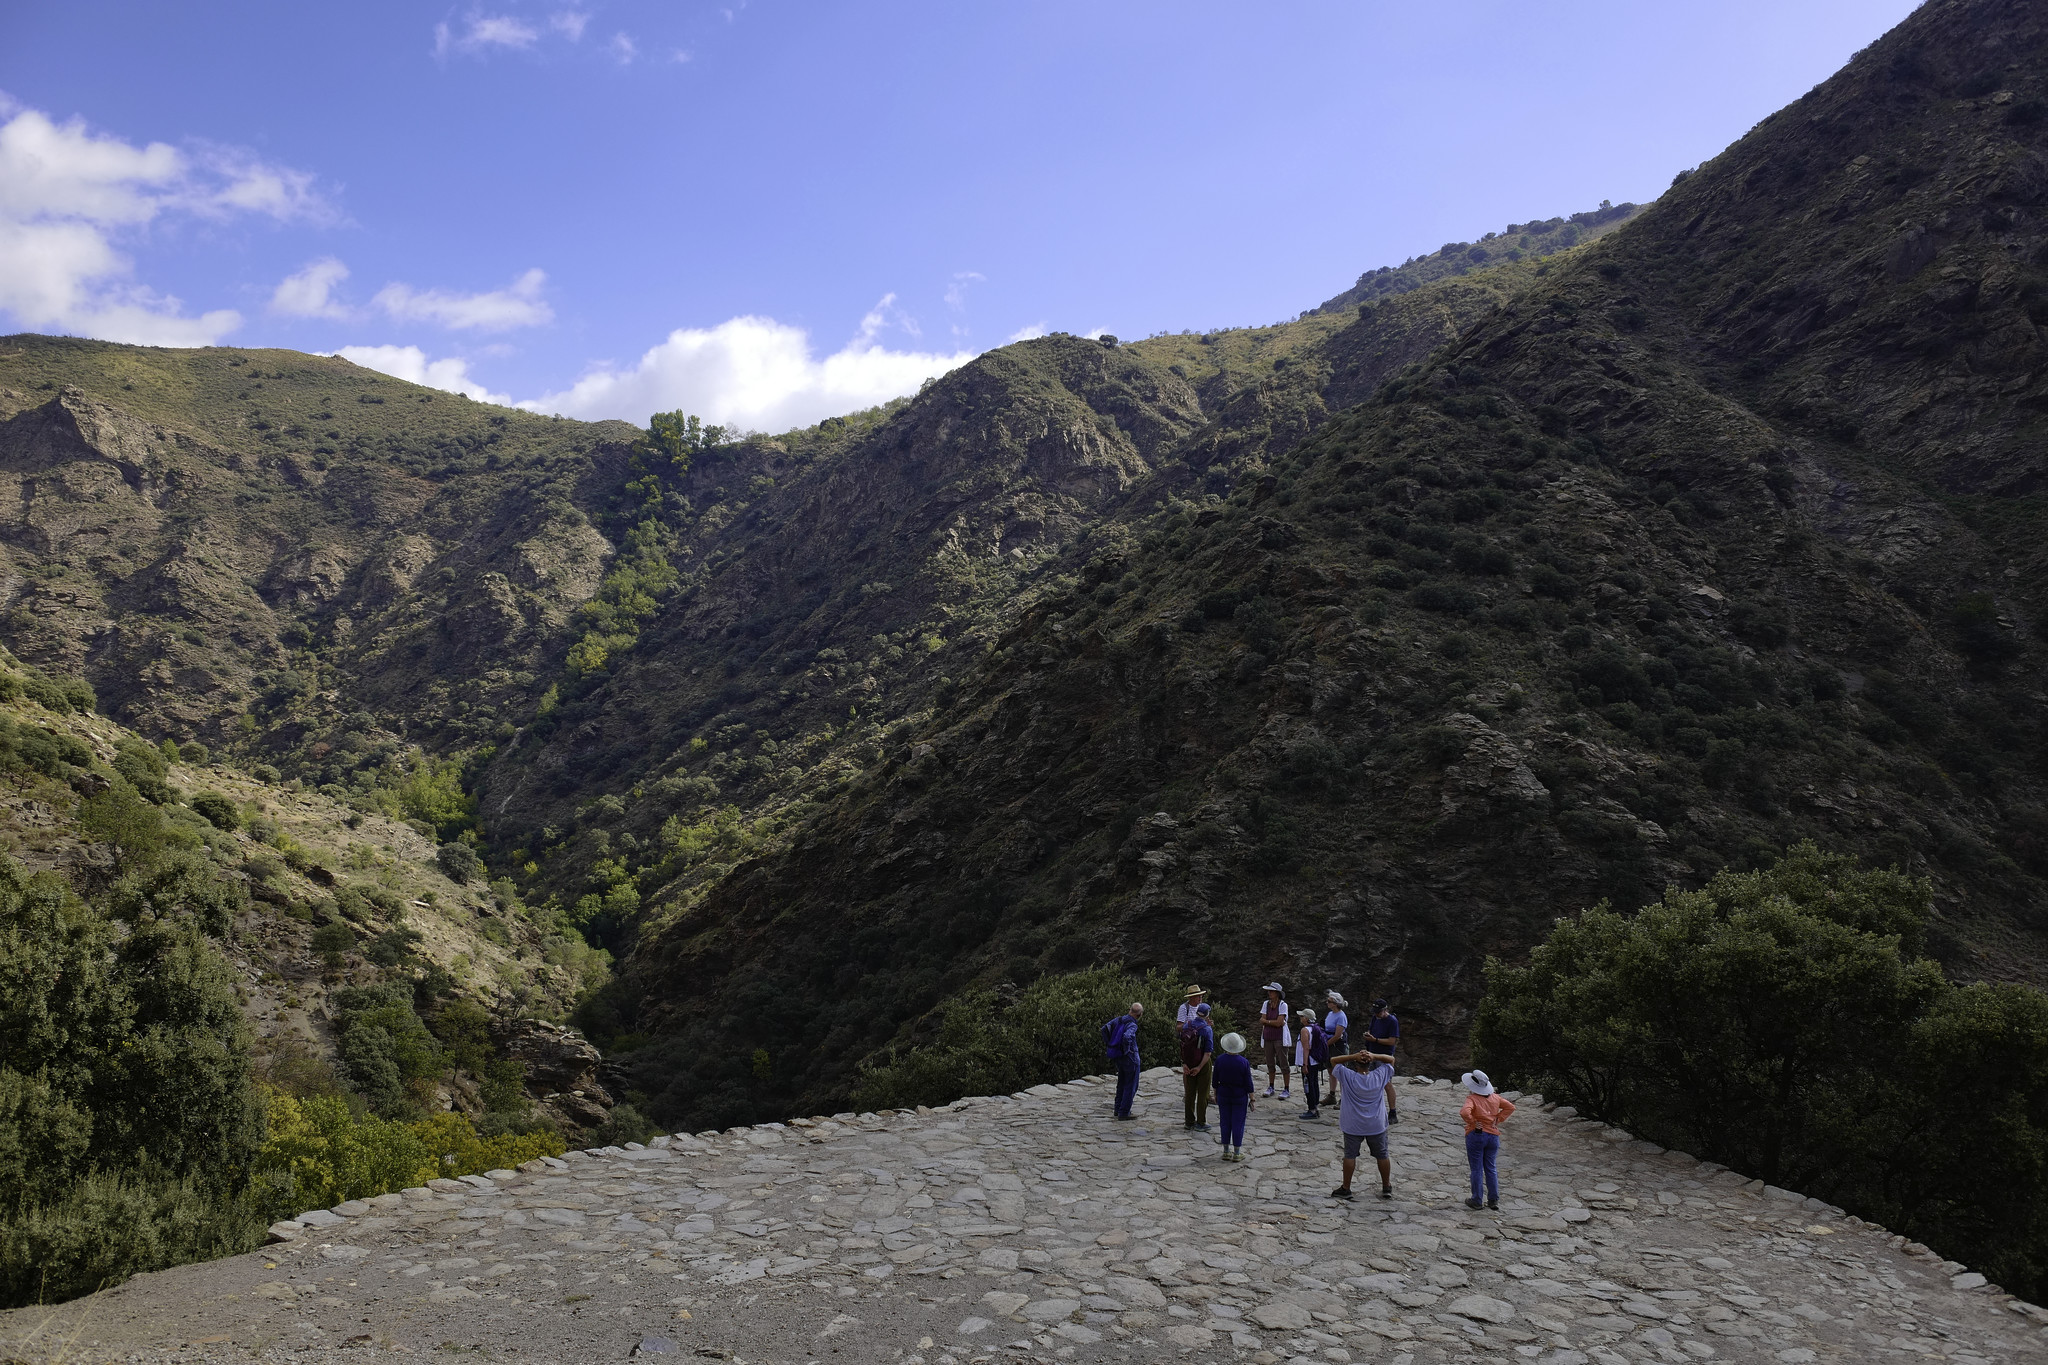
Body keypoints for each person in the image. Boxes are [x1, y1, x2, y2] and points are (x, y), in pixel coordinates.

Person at [1326, 1044, 1397, 1200]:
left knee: (1350, 1155)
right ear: (1370, 1064)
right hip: (1376, 1124)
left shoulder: (1348, 1076)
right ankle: (1386, 1186)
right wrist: (1374, 1055)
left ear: (1355, 1064)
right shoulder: (1379, 1075)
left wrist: (1353, 1056)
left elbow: (1333, 1060)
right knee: (1382, 1155)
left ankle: (1346, 1187)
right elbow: (1391, 1059)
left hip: (1353, 1124)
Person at [1460, 1069, 1515, 1210]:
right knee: (1491, 1168)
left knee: (1476, 1168)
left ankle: (1477, 1199)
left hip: (1477, 1134)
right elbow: (1510, 1107)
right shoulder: (1496, 1098)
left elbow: (1465, 1112)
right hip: (1493, 1135)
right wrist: (1498, 1118)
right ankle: (1493, 1199)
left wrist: (1472, 1121)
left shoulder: (1471, 1099)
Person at [1212, 1032, 1255, 1160]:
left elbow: (1215, 1080)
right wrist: (1252, 1099)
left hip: (1223, 1093)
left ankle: (1225, 1151)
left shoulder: (1220, 1060)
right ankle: (1237, 1152)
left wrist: (1215, 1095)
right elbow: (1248, 1083)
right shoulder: (1243, 1062)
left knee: (1225, 1122)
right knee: (1238, 1123)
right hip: (1239, 1095)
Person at [1180, 1002, 1215, 1131]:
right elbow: (1208, 1052)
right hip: (1202, 1063)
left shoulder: (1186, 1025)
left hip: (1188, 1062)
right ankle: (1201, 1122)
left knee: (1189, 1093)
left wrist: (1184, 1063)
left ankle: (1188, 1121)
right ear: (1207, 1015)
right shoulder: (1206, 1029)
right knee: (1203, 1093)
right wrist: (1199, 1067)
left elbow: (1182, 1046)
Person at [1107, 1001, 1144, 1120]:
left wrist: (1111, 1045)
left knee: (1121, 1083)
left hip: (1119, 1057)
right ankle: (1124, 1112)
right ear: (1140, 1015)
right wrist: (1127, 1050)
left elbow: (1105, 1029)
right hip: (1130, 1058)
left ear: (1130, 1010)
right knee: (1131, 1085)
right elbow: (1127, 1037)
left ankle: (1117, 1109)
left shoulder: (1119, 1020)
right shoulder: (1133, 1025)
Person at [1367, 1000, 1400, 1124]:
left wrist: (1375, 1040)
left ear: (1385, 1010)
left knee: (1387, 1083)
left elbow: (1392, 1041)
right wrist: (1369, 1036)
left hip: (1385, 1055)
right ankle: (1373, 1109)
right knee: (1370, 1082)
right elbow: (1371, 1030)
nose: (1376, 1015)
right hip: (1372, 1053)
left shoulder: (1392, 1021)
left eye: (1378, 1012)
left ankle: (1392, 1111)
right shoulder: (1375, 1018)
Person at [1257, 983, 1291, 1100]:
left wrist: (1268, 1021)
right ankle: (1271, 1086)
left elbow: (1280, 1022)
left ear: (1277, 993)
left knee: (1283, 1063)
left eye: (1271, 991)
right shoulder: (1266, 1004)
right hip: (1268, 1037)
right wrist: (1272, 1022)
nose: (1269, 993)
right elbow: (1262, 1019)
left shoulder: (1283, 1005)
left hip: (1279, 1037)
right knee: (1270, 1063)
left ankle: (1286, 1088)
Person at [1295, 1013, 1329, 1121]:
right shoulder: (1315, 1028)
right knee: (1314, 1084)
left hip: (1308, 1062)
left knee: (1308, 1085)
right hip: (1314, 1061)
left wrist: (1305, 1065)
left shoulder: (1305, 1030)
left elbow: (1306, 1048)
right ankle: (1315, 1107)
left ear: (1306, 1018)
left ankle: (1312, 1110)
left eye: (1302, 1016)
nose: (1300, 1018)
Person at [1322, 992, 1350, 1111]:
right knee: (1330, 1070)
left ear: (1335, 1004)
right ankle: (1332, 1094)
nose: (1327, 1003)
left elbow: (1338, 1035)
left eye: (1329, 1001)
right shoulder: (1330, 1014)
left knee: (1340, 1071)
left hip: (1337, 1046)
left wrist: (1325, 1044)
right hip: (1329, 1044)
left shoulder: (1341, 1016)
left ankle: (1344, 1098)